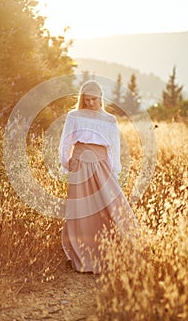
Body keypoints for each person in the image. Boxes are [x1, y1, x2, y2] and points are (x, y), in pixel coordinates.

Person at [59, 80, 138, 274]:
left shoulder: (109, 119)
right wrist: (65, 162)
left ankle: (113, 252)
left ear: (100, 98)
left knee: (109, 205)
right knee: (80, 209)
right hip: (79, 163)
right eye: (86, 100)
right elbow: (66, 141)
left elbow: (113, 147)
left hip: (101, 163)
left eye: (94, 99)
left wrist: (114, 170)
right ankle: (80, 255)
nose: (91, 103)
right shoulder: (74, 115)